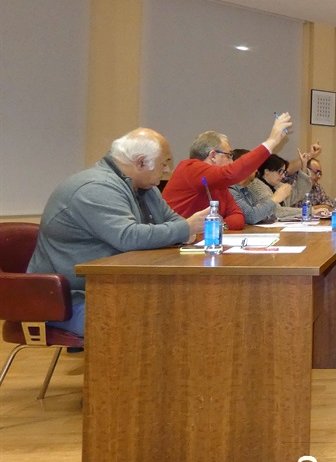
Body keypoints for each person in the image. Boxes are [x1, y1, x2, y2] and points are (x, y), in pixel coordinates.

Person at [27, 128, 208, 337]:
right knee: (155, 324)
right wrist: (187, 228)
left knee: (181, 309)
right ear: (140, 162)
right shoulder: (95, 188)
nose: (168, 169)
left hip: (109, 289)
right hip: (68, 299)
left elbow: (172, 221)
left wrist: (184, 228)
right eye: (164, 163)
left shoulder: (145, 189)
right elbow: (128, 237)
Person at [162, 113, 292, 229]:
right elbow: (231, 173)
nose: (231, 162)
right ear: (213, 155)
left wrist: (218, 226)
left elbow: (238, 216)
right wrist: (271, 142)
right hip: (176, 243)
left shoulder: (219, 183)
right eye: (229, 156)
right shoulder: (190, 168)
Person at [248, 154, 326, 220]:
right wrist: (310, 211)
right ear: (267, 171)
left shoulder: (278, 185)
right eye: (280, 171)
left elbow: (299, 193)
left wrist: (304, 165)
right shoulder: (257, 186)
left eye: (284, 172)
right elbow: (276, 211)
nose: (283, 176)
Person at [228, 149, 288, 224]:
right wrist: (275, 199)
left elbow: (270, 215)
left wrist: (260, 212)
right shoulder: (230, 190)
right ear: (243, 168)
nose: (256, 170)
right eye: (254, 166)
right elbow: (251, 216)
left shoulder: (246, 190)